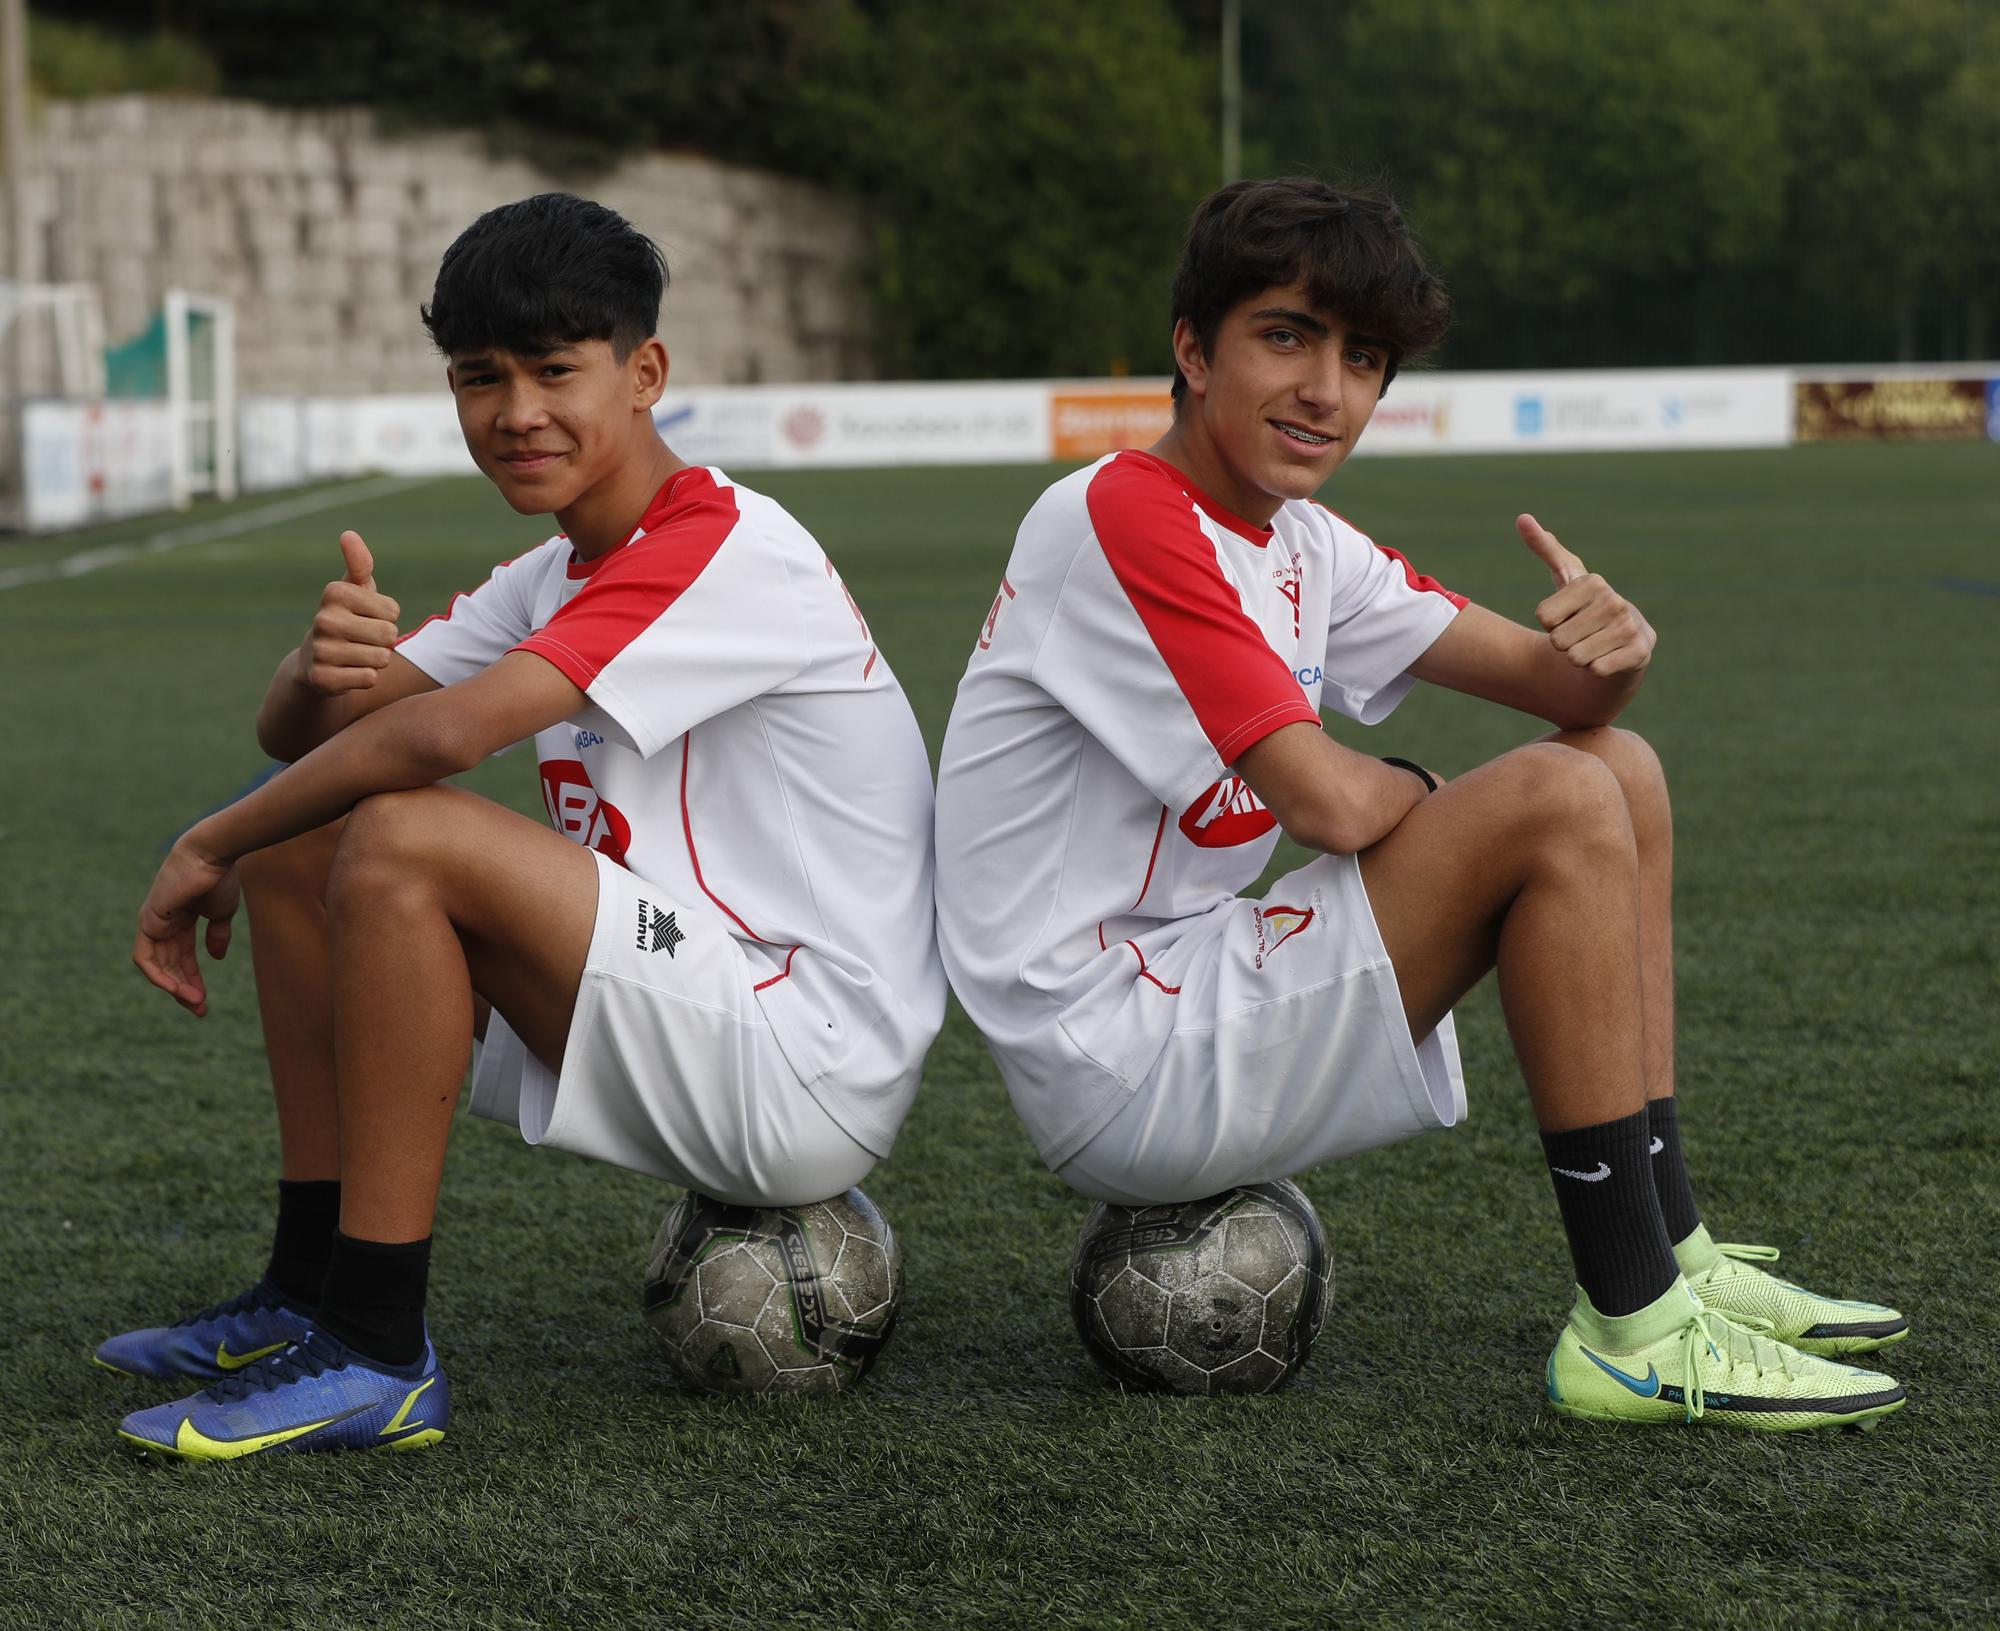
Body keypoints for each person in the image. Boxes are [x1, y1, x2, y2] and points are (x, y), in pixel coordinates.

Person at [933, 176, 1907, 1431]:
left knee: (1620, 770)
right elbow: (1328, 804)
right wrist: (1436, 797)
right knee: (1557, 797)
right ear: (1191, 347)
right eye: (1284, 336)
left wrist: (1615, 643)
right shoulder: (1121, 510)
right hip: (1107, 1048)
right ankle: (1633, 1331)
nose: (1325, 390)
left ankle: (1679, 1250)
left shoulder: (1296, 539)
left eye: (1363, 358)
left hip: (1184, 981)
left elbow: (1568, 690)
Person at [103, 193, 945, 1459]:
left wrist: (203, 839)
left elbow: (438, 740)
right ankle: (307, 1290)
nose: (516, 412)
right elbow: (318, 732)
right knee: (306, 838)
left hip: (803, 1055)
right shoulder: (556, 569)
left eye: (557, 371)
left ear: (645, 373)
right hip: (694, 1006)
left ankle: (378, 1353)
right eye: (478, 377)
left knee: (397, 833)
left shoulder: (718, 543)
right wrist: (311, 660)